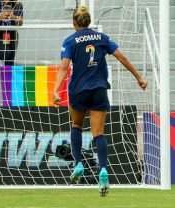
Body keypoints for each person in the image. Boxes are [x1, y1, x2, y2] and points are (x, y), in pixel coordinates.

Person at [53, 5, 147, 197]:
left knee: (76, 126)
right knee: (99, 133)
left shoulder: (70, 41)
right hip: (99, 89)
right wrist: (138, 77)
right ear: (88, 21)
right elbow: (121, 56)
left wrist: (56, 90)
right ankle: (103, 169)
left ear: (74, 23)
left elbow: (63, 67)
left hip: (78, 90)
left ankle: (78, 163)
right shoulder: (102, 38)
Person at [0, 0, 23, 66]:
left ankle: (7, 75)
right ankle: (1, 60)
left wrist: (14, 17)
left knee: (10, 60)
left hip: (10, 32)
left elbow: (20, 23)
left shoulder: (17, 4)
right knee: (5, 53)